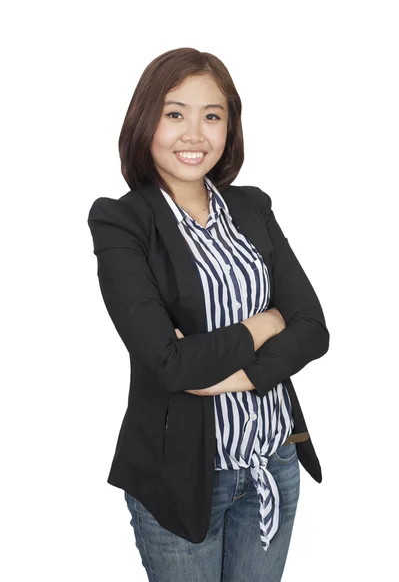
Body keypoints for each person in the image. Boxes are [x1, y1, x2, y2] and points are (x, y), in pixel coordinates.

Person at [87, 47, 330, 582]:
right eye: (175, 114)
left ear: (229, 127)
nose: (194, 134)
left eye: (211, 116)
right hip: (180, 477)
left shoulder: (253, 207)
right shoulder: (122, 223)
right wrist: (264, 323)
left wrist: (233, 377)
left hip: (274, 460)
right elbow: (170, 364)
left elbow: (313, 329)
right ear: (145, 121)